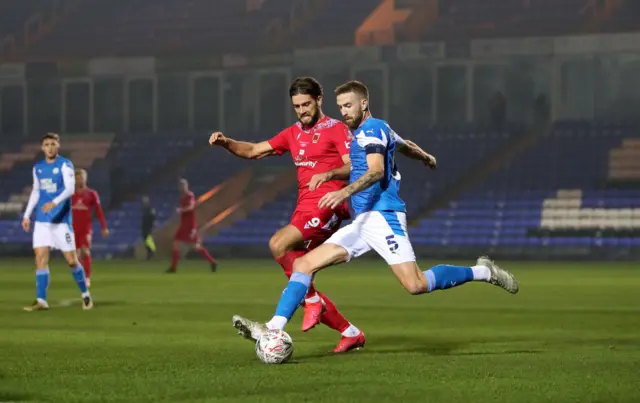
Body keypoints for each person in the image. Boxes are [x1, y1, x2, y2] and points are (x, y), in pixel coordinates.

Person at [231, 81, 519, 343]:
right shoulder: (378, 129)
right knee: (303, 265)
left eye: (349, 105)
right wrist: (425, 157)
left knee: (416, 284)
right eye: (341, 106)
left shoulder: (370, 130)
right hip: (363, 219)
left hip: (384, 216)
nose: (344, 112)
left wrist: (342, 191)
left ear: (364, 104)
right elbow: (405, 145)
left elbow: (376, 171)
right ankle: (272, 328)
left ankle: (483, 271)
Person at [209, 77, 363, 352]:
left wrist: (328, 174)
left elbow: (354, 166)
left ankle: (279, 323)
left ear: (319, 100)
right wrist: (225, 142)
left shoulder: (336, 129)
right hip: (303, 207)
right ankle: (349, 332)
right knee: (299, 276)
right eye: (297, 106)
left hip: (328, 204)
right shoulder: (292, 133)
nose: (302, 110)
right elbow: (255, 150)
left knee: (278, 243)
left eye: (306, 104)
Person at [22, 133, 93, 311]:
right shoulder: (38, 168)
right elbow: (36, 191)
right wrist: (26, 215)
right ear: (42, 148)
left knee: (71, 261)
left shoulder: (65, 164)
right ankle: (41, 300)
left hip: (61, 222)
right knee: (40, 258)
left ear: (58, 146)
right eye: (47, 144)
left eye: (53, 144)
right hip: (42, 222)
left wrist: (53, 203)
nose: (50, 147)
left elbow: (70, 189)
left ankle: (85, 294)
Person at [167, 178, 218, 273]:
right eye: (180, 186)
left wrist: (180, 210)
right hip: (184, 225)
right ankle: (173, 268)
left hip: (190, 226)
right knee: (176, 244)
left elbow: (191, 207)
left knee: (195, 246)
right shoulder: (182, 198)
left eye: (183, 185)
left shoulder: (190, 195)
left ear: (186, 186)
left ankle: (212, 261)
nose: (181, 187)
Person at [72, 168, 109, 288]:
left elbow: (99, 211)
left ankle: (87, 278)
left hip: (86, 228)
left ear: (85, 178)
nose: (79, 180)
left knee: (86, 251)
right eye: (77, 178)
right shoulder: (70, 194)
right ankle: (81, 276)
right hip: (73, 229)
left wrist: (104, 227)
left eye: (81, 178)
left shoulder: (92, 194)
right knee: (76, 256)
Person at [141, 195, 156, 260]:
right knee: (145, 240)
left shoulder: (150, 208)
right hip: (144, 227)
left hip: (149, 226)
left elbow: (153, 217)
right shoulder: (143, 209)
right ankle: (150, 252)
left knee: (148, 239)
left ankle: (152, 251)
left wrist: (152, 225)